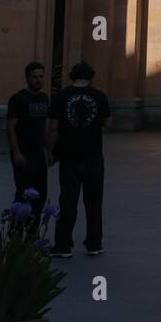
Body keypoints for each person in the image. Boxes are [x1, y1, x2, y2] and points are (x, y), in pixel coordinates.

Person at [46, 61, 111, 257]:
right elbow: (108, 123)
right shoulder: (99, 96)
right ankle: (94, 244)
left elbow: (53, 129)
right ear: (91, 76)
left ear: (72, 76)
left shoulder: (60, 96)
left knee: (68, 201)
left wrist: (49, 152)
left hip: (69, 156)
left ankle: (63, 245)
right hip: (93, 156)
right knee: (94, 202)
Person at [6, 62, 50, 233]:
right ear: (27, 78)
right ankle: (15, 232)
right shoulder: (18, 99)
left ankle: (33, 233)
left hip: (39, 154)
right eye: (34, 77)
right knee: (24, 193)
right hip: (23, 154)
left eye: (41, 76)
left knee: (40, 195)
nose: (38, 80)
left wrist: (47, 150)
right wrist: (16, 152)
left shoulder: (44, 98)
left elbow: (44, 126)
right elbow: (10, 127)